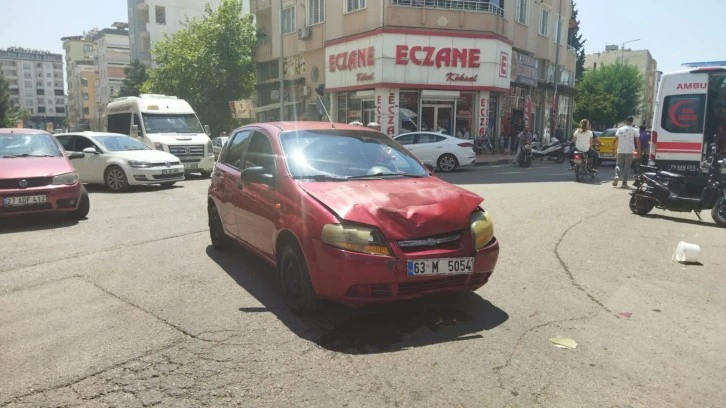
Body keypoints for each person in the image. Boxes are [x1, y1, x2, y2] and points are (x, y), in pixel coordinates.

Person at [612, 116, 641, 189]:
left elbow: (615, 139)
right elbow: (637, 140)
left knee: (618, 164)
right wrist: (639, 150)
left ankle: (616, 176)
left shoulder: (620, 129)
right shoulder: (634, 129)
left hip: (620, 149)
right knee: (627, 167)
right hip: (630, 150)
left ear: (626, 121)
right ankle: (624, 183)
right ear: (632, 121)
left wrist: (613, 149)